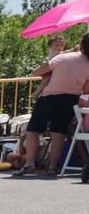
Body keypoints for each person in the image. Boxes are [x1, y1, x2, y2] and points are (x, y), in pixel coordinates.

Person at [24, 32, 87, 175]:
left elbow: (38, 71)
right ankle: (52, 167)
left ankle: (29, 164)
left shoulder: (62, 57)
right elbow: (86, 88)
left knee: (33, 130)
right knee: (58, 133)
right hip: (70, 100)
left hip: (49, 98)